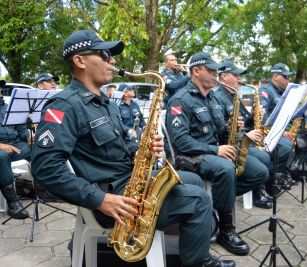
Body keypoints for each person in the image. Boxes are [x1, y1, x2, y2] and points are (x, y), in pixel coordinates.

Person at [31, 29, 234, 267]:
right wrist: (100, 199)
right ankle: (199, 262)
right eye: (105, 55)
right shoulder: (65, 105)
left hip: (128, 182)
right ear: (79, 60)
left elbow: (122, 144)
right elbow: (45, 168)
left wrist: (142, 148)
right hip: (111, 198)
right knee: (199, 200)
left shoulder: (106, 103)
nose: (113, 61)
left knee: (191, 179)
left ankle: (186, 246)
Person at [166, 52, 269, 256]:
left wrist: (229, 126)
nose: (216, 75)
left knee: (260, 172)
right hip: (191, 157)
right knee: (226, 168)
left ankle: (214, 203)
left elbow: (219, 131)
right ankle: (226, 229)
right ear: (196, 71)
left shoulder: (212, 98)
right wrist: (216, 149)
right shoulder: (180, 100)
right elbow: (180, 141)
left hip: (213, 153)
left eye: (216, 71)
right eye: (211, 71)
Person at [214, 59, 272, 209]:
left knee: (266, 154)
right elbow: (223, 129)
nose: (240, 79)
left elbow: (243, 122)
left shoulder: (234, 94)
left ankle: (259, 191)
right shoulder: (218, 97)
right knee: (262, 158)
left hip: (241, 139)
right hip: (230, 144)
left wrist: (253, 115)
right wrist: (247, 136)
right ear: (224, 76)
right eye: (236, 75)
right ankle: (229, 194)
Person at [258, 63, 298, 189]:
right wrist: (283, 133)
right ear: (275, 76)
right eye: (285, 77)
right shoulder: (265, 90)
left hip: (281, 130)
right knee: (286, 146)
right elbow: (263, 118)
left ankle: (283, 173)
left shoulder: (283, 93)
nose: (289, 80)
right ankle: (270, 180)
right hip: (269, 132)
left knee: (305, 141)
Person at [0, 86, 30, 219]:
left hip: (14, 143)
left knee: (37, 151)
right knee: (1, 157)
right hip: (1, 147)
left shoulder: (10, 108)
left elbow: (22, 132)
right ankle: (13, 202)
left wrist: (28, 129)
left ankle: (44, 191)